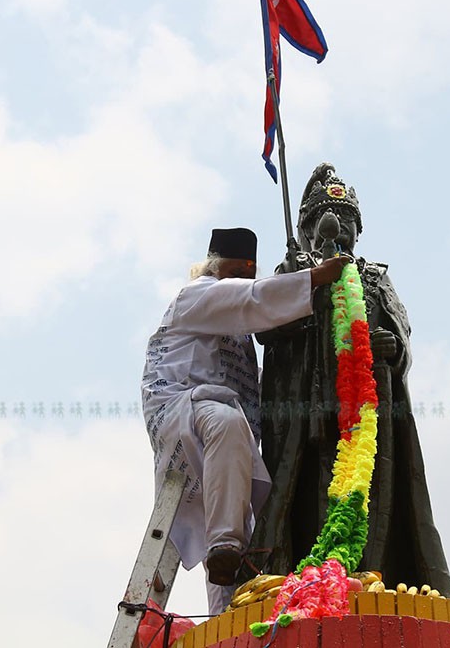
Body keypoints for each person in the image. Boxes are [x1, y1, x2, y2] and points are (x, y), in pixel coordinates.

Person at [247, 164, 450, 596]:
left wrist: (392, 348)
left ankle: (370, 576)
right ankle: (305, 580)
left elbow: (403, 334)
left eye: (347, 222)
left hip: (368, 412)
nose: (338, 229)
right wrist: (308, 291)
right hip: (304, 413)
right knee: (305, 496)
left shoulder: (375, 277)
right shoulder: (294, 271)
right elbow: (264, 328)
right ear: (306, 228)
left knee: (375, 496)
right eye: (328, 220)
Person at [141, 227, 349, 613]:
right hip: (182, 409)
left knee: (242, 546)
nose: (247, 279)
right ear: (222, 267)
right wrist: (313, 279)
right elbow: (252, 301)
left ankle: (227, 611)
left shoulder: (237, 333)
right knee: (226, 426)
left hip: (225, 439)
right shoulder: (197, 296)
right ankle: (223, 544)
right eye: (243, 271)